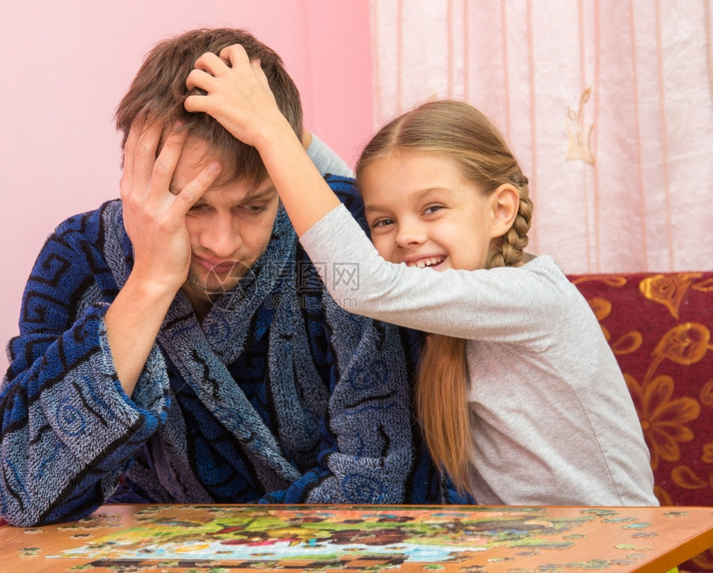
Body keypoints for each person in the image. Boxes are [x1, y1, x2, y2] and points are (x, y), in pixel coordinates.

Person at [0, 28, 451, 527]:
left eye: (253, 206)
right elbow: (25, 492)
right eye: (194, 206)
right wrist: (149, 282)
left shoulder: (342, 234)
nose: (222, 243)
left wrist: (214, 545)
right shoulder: (80, 255)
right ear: (136, 177)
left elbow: (386, 480)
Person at [185, 44, 658, 506]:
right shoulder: (438, 296)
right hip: (521, 550)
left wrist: (271, 132)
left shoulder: (532, 298)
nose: (407, 235)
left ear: (500, 210)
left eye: (433, 208)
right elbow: (349, 204)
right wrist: (285, 125)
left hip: (618, 550)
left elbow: (361, 283)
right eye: (384, 222)